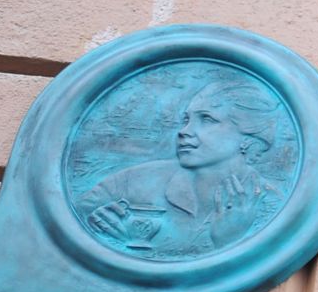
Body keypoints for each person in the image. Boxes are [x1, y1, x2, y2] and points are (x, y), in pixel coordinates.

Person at [76, 77, 286, 257]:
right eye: (186, 119)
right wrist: (100, 228)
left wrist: (228, 240)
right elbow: (69, 221)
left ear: (248, 137)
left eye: (207, 119)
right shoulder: (134, 181)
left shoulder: (272, 205)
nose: (184, 131)